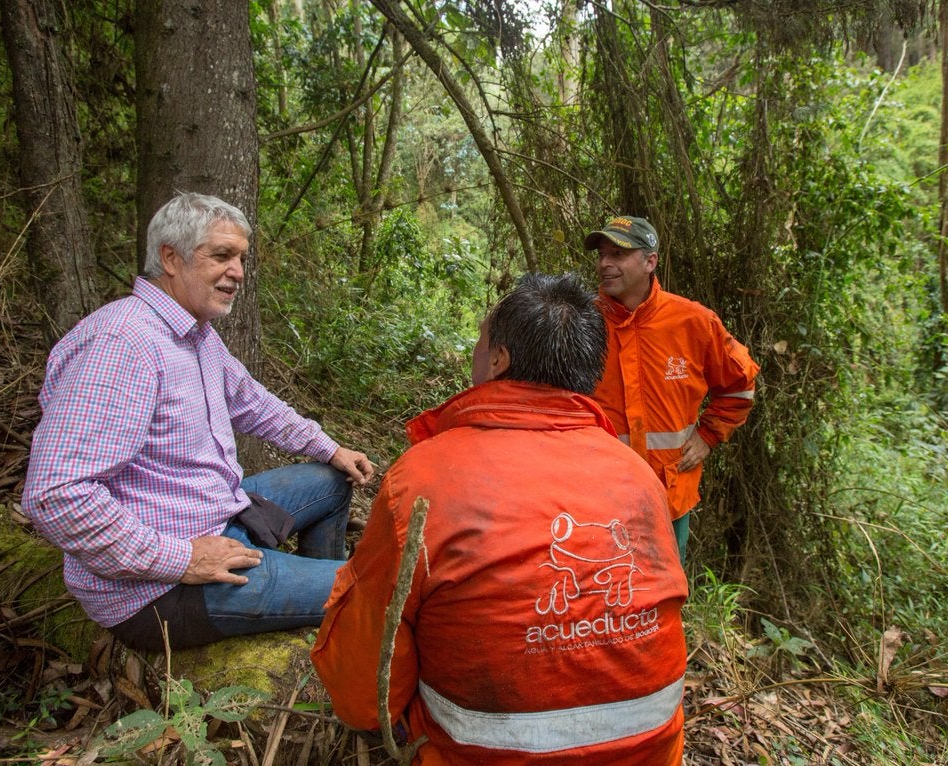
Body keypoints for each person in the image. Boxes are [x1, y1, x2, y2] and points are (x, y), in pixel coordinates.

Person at [312, 274, 688, 765]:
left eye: (480, 339)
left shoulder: (424, 478)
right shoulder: (638, 475)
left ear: (498, 360)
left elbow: (364, 694)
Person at [22, 192, 374, 652]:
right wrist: (182, 559)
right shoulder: (122, 344)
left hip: (216, 516)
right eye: (222, 255)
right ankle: (335, 597)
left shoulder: (195, 334)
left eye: (241, 258)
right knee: (376, 586)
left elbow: (251, 401)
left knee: (331, 479)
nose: (239, 272)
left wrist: (329, 447)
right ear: (171, 258)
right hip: (160, 591)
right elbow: (55, 496)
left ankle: (321, 606)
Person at [585, 215, 759, 564]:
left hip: (669, 495)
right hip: (595, 494)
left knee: (664, 589)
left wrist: (708, 435)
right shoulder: (581, 321)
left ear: (650, 262)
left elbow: (740, 385)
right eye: (602, 254)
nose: (605, 263)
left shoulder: (693, 322)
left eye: (618, 254)